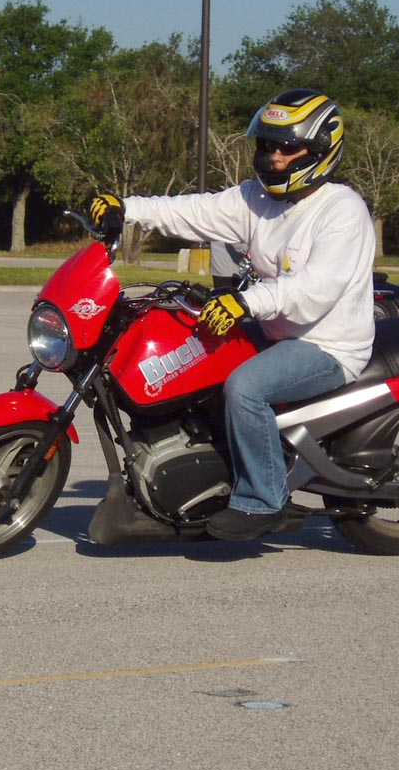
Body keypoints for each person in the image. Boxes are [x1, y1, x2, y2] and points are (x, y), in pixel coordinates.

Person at [89, 88, 377, 541]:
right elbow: (193, 210)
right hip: (274, 330)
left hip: (328, 345)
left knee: (246, 387)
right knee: (191, 351)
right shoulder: (256, 199)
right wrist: (128, 209)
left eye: (287, 148)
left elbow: (315, 289)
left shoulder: (342, 211)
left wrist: (246, 302)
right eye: (268, 145)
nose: (274, 156)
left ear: (320, 150)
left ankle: (264, 501)